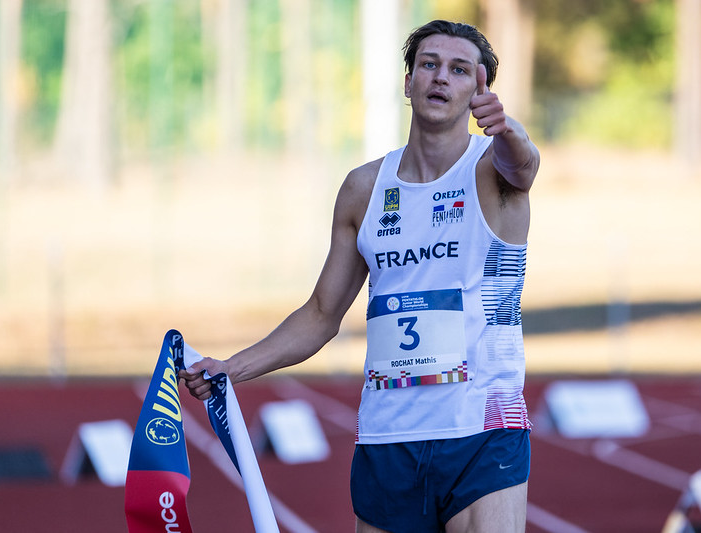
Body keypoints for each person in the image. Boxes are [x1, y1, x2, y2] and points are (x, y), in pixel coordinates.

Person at [180, 19, 540, 533]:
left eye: (459, 70)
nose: (441, 78)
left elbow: (525, 167)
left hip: (481, 429)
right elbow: (323, 314)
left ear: (478, 88)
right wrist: (231, 369)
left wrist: (509, 129)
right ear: (408, 81)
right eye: (429, 65)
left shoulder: (493, 170)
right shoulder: (364, 189)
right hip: (387, 436)